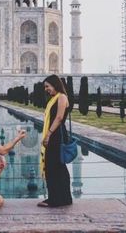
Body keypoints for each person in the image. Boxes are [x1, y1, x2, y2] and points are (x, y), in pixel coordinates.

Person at [38, 74, 73, 207]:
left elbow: (58, 118)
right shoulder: (54, 98)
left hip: (57, 134)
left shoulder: (62, 97)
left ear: (55, 84)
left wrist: (48, 135)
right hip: (54, 134)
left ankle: (57, 199)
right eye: (45, 87)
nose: (46, 89)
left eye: (47, 86)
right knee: (55, 166)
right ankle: (61, 198)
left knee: (55, 166)